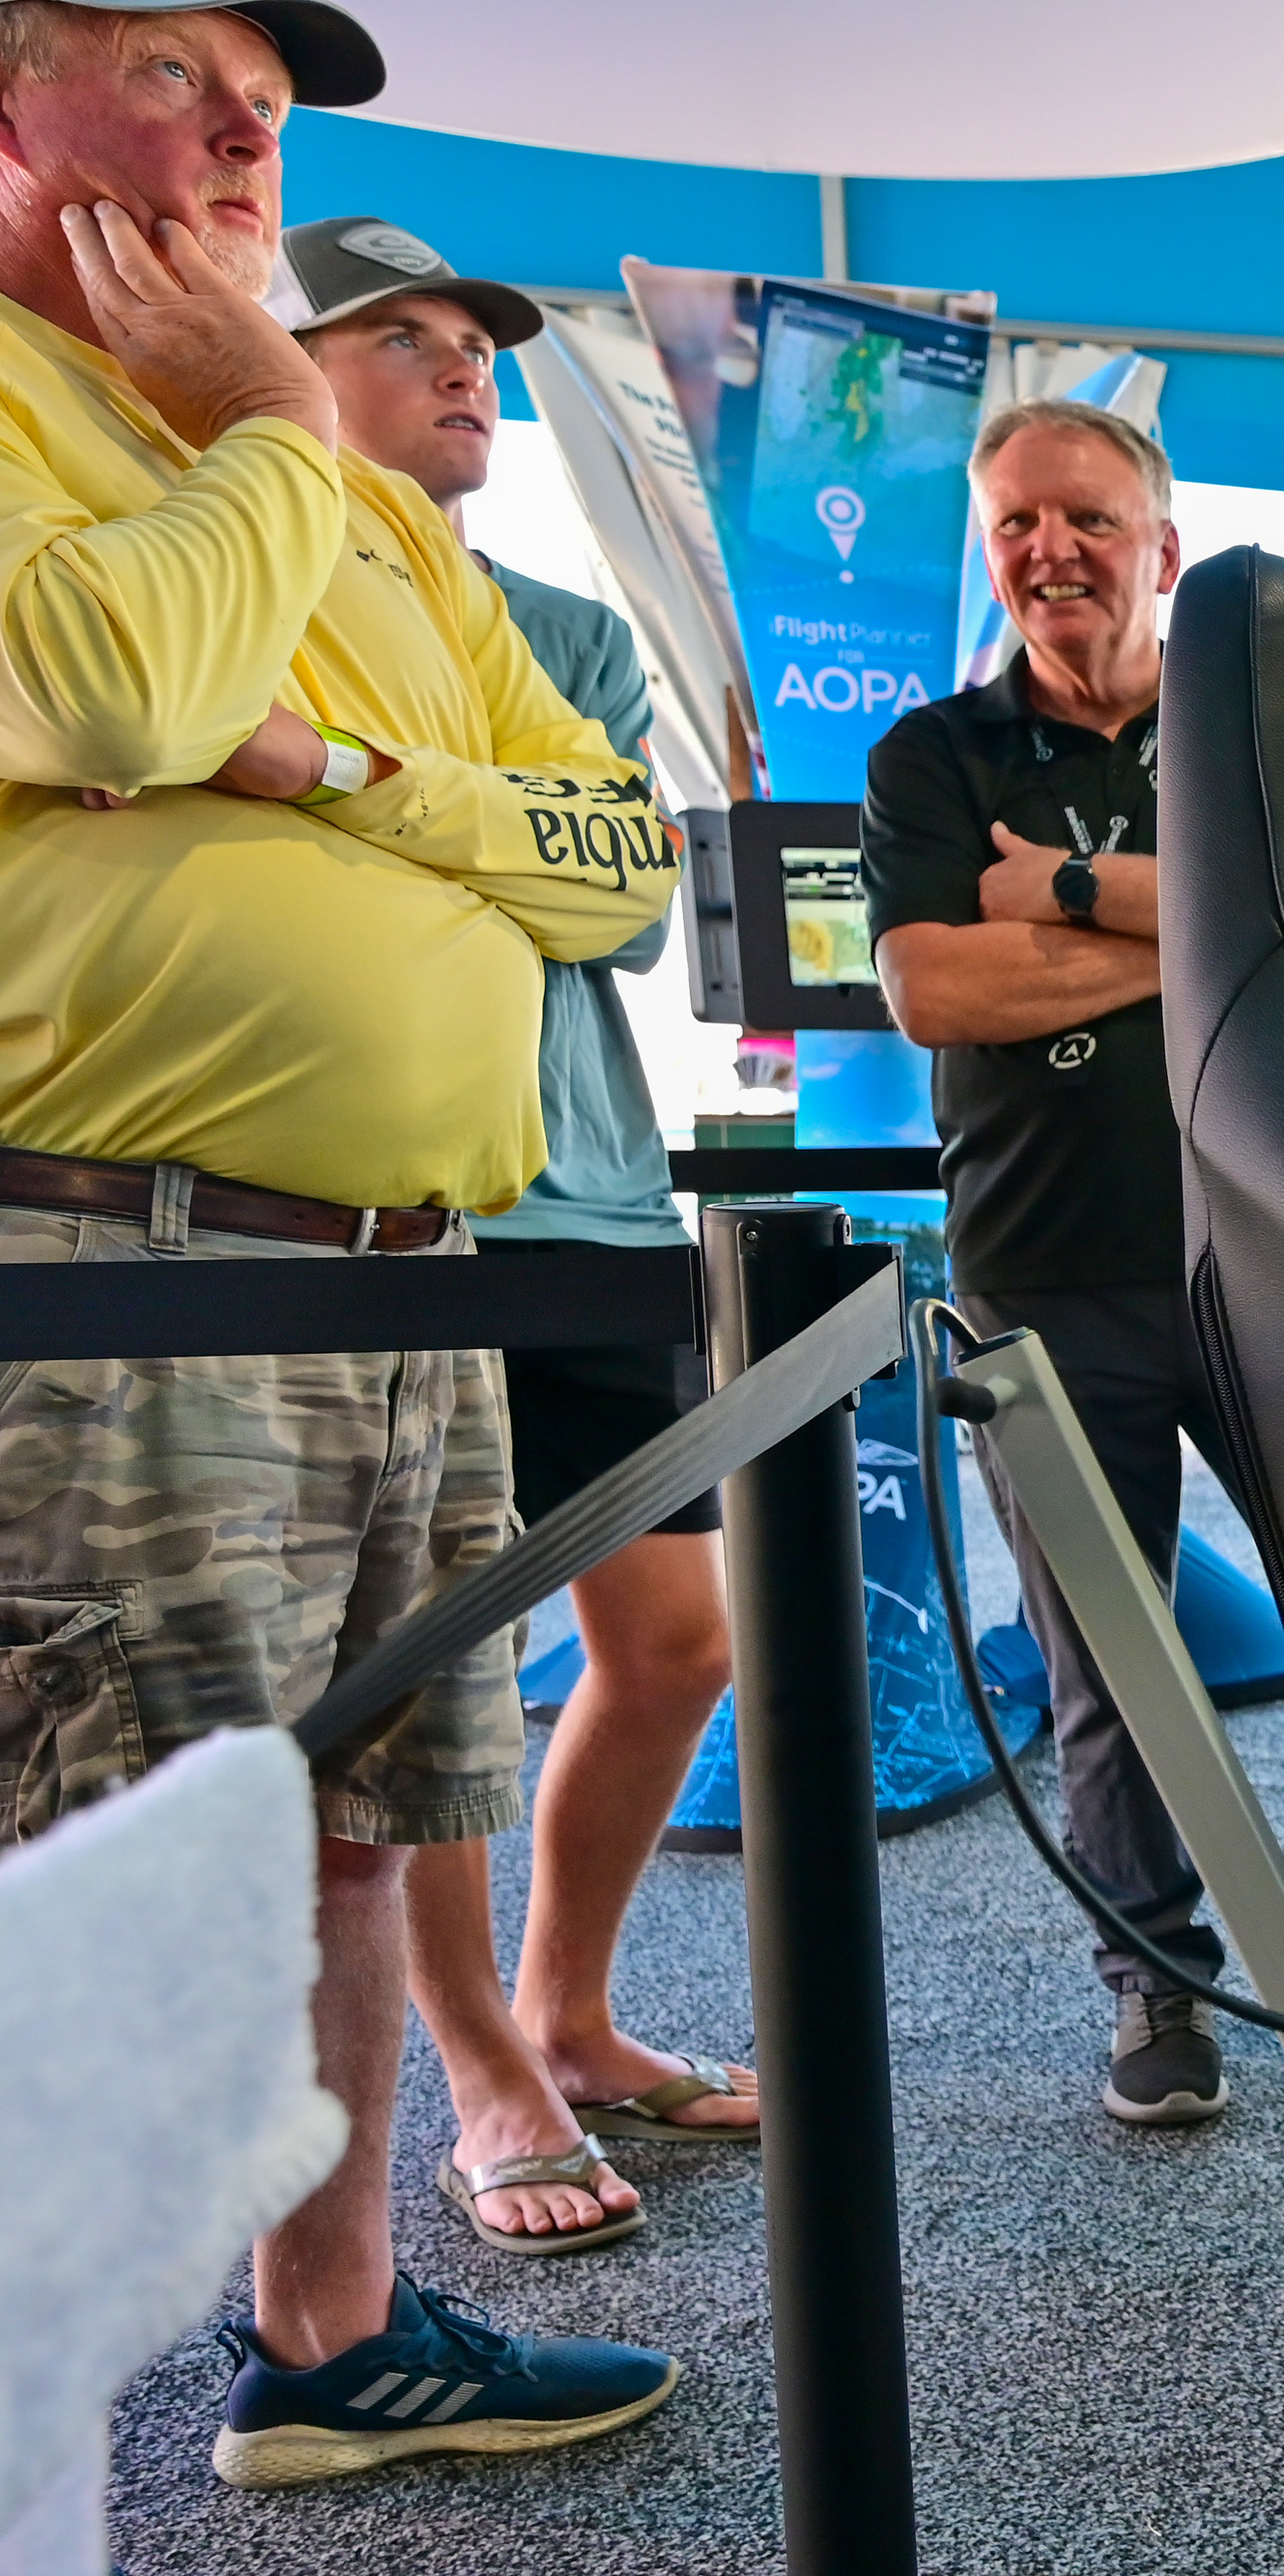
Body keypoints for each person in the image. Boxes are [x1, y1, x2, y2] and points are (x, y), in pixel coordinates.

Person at [0, 1, 678, 2482]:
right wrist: (280, 437)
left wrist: (335, 768)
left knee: (366, 1819)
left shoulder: (394, 535)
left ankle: (340, 2336)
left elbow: (620, 866)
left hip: (415, 1274)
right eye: (174, 61)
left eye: (265, 87)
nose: (249, 117)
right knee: (83, 1858)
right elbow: (112, 670)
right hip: (110, 1268)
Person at [278, 212, 757, 2261]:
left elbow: (623, 904)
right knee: (439, 1682)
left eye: (475, 342)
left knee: (677, 1643)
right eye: (404, 340)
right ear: (292, 373)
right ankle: (484, 2067)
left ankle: (568, 2004)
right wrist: (487, 816)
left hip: (587, 1197)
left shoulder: (565, 627)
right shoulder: (266, 593)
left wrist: (382, 787)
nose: (467, 367)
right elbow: (345, 881)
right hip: (397, 1213)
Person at [865, 399, 1232, 2126]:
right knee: (1105, 1650)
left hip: (1271, 1258)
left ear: (1161, 549)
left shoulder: (1249, 729)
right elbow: (937, 991)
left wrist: (1065, 894)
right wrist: (1199, 930)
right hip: (1041, 1268)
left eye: (1085, 518)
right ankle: (1155, 1979)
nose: (1049, 551)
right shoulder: (933, 757)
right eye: (1016, 523)